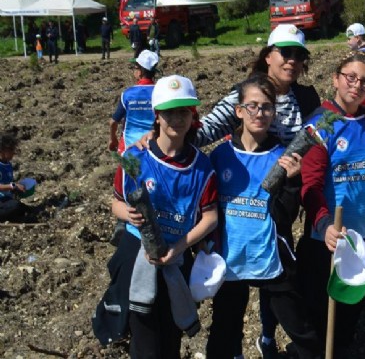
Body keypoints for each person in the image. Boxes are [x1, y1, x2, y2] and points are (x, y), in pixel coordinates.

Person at [192, 23, 320, 349]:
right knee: (229, 313)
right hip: (244, 202)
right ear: (268, 56)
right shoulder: (245, 93)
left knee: (277, 282)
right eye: (284, 53)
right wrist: (159, 137)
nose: (291, 60)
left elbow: (321, 132)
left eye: (298, 55)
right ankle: (261, 337)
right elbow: (204, 131)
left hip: (282, 199)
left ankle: (267, 334)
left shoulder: (305, 97)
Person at [109, 74, 218, 358]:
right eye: (169, 112)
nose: (177, 119)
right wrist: (130, 215)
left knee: (171, 337)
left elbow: (210, 217)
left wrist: (179, 247)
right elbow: (116, 203)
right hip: (137, 255)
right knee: (143, 337)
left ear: (192, 116)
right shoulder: (135, 158)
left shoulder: (201, 166)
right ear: (157, 116)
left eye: (184, 111)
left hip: (176, 256)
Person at [299, 51, 365, 354]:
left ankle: (345, 345)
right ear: (335, 79)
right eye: (350, 77)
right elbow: (311, 185)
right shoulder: (321, 125)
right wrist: (322, 222)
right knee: (322, 307)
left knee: (355, 300)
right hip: (330, 236)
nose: (356, 85)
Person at [109, 50, 159, 153]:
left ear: (140, 71)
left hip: (128, 147)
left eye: (135, 68)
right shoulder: (160, 92)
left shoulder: (128, 94)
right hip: (153, 146)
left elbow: (113, 122)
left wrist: (112, 138)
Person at [0, 133, 28, 222]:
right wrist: (13, 186)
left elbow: (7, 183)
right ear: (3, 150)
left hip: (6, 199)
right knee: (15, 206)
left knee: (24, 208)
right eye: (11, 149)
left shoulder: (8, 165)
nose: (13, 152)